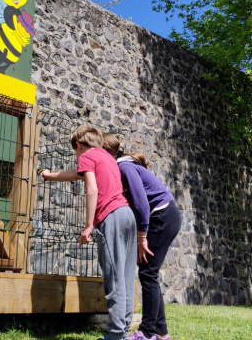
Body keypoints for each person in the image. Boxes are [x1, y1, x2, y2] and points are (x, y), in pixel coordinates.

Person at [39, 125, 137, 340]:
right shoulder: (106, 156)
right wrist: (50, 176)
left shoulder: (87, 155)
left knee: (114, 280)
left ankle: (116, 335)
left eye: (75, 151)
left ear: (79, 145)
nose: (77, 156)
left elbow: (91, 188)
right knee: (127, 278)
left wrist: (89, 225)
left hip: (111, 216)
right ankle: (124, 331)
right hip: (127, 215)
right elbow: (77, 174)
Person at [103, 134, 181, 340]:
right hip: (164, 216)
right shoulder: (123, 167)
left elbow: (141, 203)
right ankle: (162, 334)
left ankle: (147, 333)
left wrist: (142, 237)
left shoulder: (124, 168)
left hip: (163, 216)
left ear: (106, 154)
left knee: (148, 273)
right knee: (149, 273)